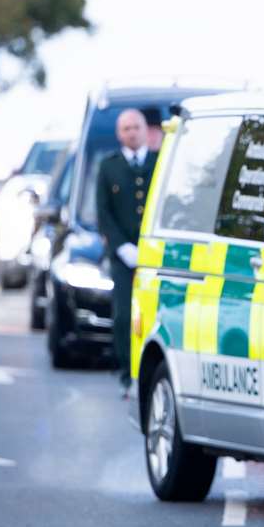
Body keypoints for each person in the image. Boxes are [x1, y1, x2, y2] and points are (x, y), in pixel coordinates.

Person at [96, 108, 154, 395]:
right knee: (123, 316)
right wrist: (122, 247)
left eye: (136, 127)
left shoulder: (158, 162)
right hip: (123, 256)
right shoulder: (109, 167)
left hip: (154, 253)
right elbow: (103, 213)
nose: (132, 132)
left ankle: (148, 373)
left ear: (145, 130)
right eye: (126, 128)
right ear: (120, 134)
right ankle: (126, 373)